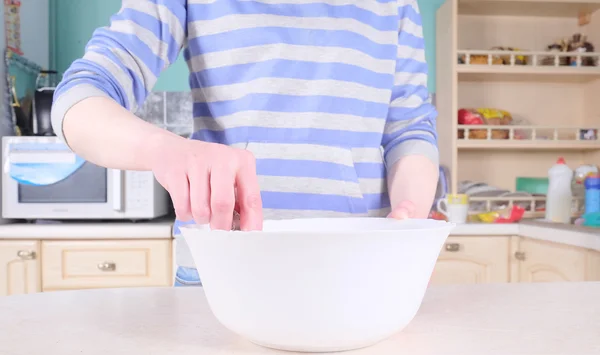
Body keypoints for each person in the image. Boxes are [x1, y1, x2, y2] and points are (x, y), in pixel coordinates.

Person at [51, 0, 439, 286]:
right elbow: (79, 99)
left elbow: (410, 128)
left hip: (360, 265)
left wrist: (408, 211)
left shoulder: (395, 5)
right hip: (226, 264)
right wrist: (164, 149)